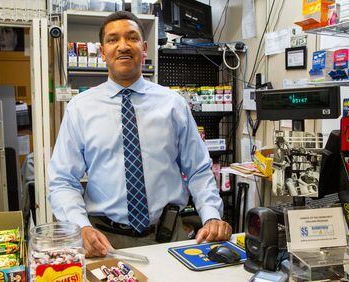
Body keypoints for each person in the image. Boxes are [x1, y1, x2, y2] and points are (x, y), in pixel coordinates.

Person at [49, 11, 232, 258]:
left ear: (144, 48)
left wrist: (211, 216)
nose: (123, 46)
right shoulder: (80, 108)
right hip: (105, 242)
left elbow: (198, 169)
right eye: (113, 39)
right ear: (103, 52)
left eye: (132, 38)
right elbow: (62, 180)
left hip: (169, 236)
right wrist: (80, 226)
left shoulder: (173, 104)